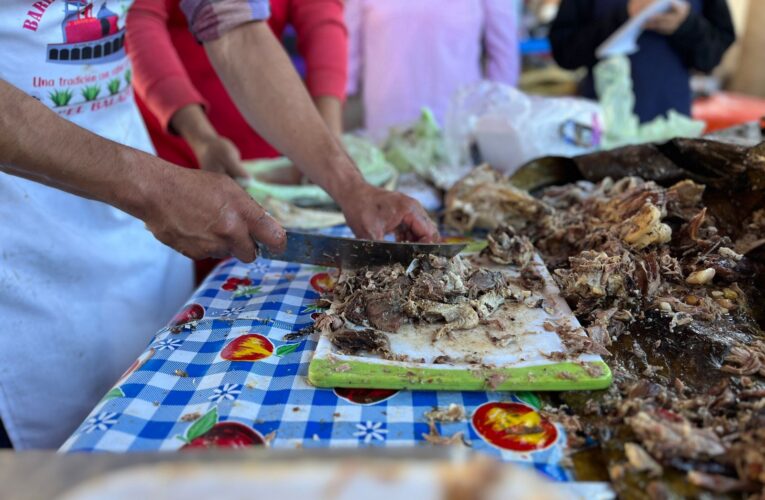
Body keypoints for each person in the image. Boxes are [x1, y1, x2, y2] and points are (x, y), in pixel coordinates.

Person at [0, 0, 437, 450]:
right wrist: (152, 185)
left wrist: (350, 186)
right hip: (17, 252)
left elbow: (234, 26)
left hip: (128, 233)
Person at [126, 0, 348, 282]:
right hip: (177, 142)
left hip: (272, 140)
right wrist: (201, 137)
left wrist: (327, 145)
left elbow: (319, 17)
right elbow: (140, 20)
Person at [345, 0, 521, 141]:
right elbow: (346, 54)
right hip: (386, 128)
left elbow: (504, 53)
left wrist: (494, 116)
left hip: (458, 131)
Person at [549, 0, 735, 122]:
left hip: (670, 125)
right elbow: (565, 53)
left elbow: (712, 56)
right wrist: (624, 15)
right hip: (600, 124)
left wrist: (686, 25)